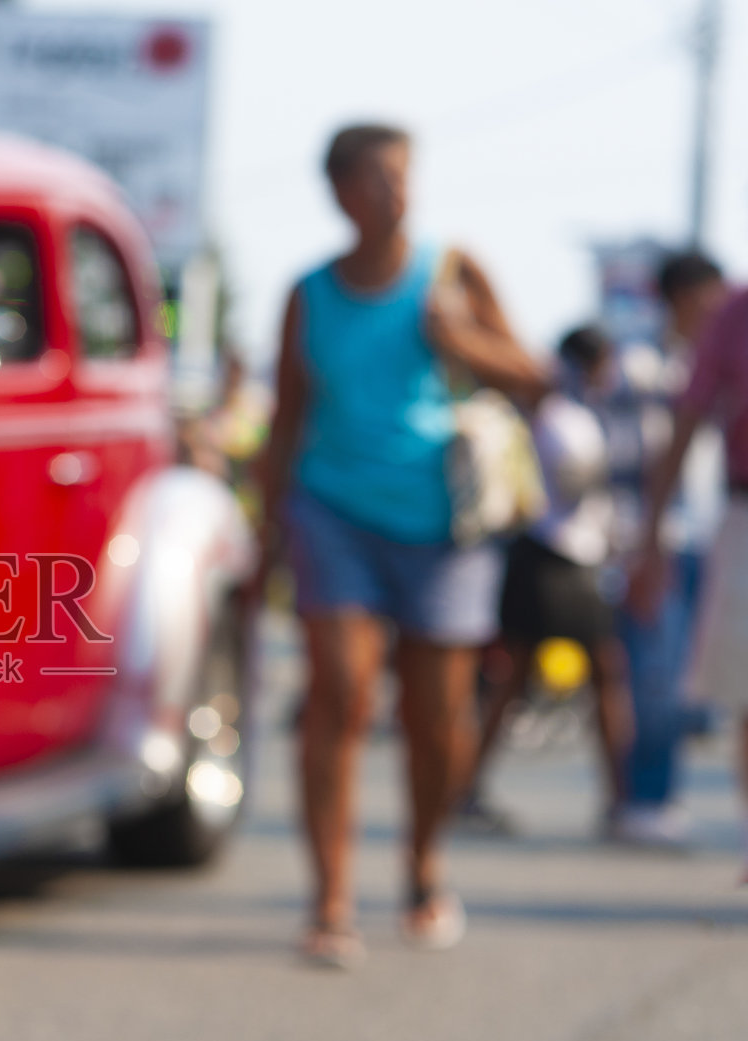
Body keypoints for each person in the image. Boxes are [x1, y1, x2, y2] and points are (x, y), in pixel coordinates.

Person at [256, 123, 546, 968]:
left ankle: (423, 864)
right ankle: (331, 900)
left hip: (441, 521)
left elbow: (532, 373)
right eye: (378, 178)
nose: (396, 193)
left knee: (433, 716)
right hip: (333, 511)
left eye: (404, 177)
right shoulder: (308, 292)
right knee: (340, 691)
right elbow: (285, 416)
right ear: (341, 192)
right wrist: (267, 532)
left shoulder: (453, 270)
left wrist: (462, 341)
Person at [467, 327, 631, 829]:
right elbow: (571, 485)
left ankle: (619, 799)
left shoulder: (580, 416)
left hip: (575, 557)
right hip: (549, 556)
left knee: (579, 674)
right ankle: (620, 800)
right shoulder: (554, 417)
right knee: (533, 676)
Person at [630, 263, 748, 879]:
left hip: (708, 529)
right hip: (726, 518)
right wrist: (647, 536)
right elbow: (682, 427)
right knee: (712, 685)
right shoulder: (730, 319)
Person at [606, 254, 727, 844]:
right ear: (680, 297)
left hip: (710, 535)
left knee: (688, 681)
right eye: (709, 296)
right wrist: (640, 545)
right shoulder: (639, 363)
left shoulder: (714, 356)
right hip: (652, 540)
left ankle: (655, 797)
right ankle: (644, 800)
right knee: (652, 677)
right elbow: (629, 462)